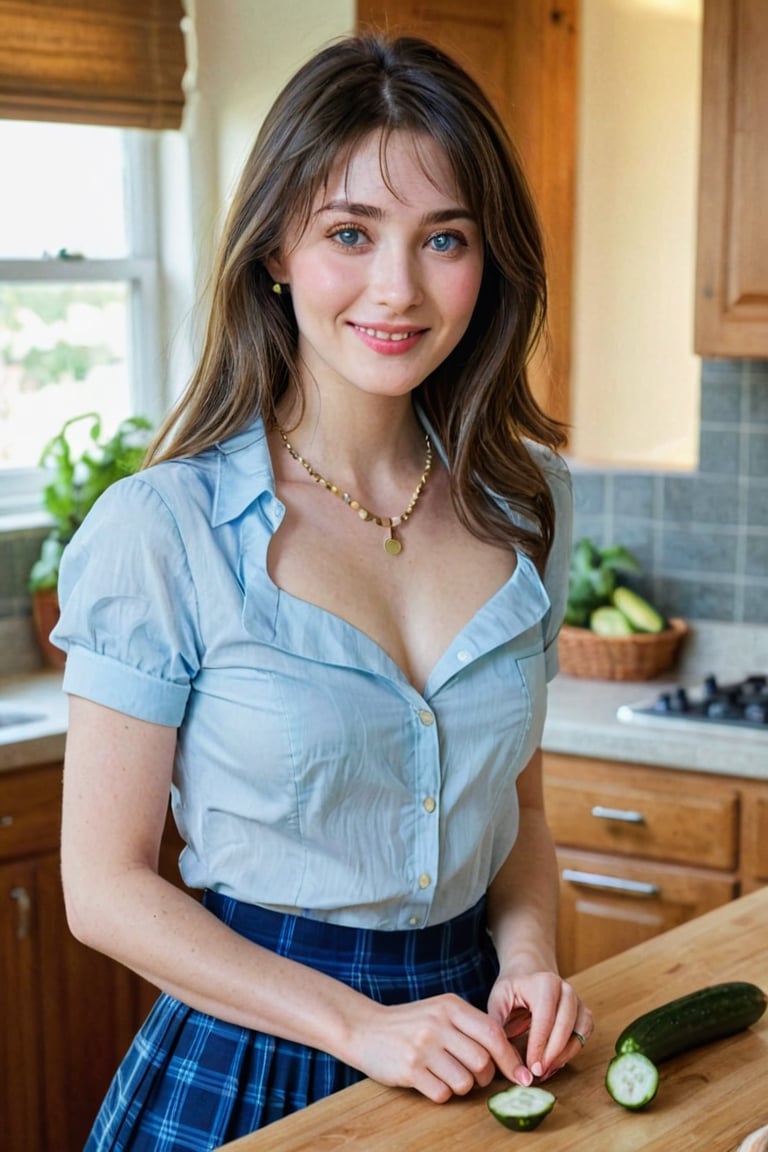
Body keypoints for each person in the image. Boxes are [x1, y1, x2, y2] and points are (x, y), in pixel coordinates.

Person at [52, 30, 592, 1152]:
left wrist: (531, 960)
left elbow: (520, 818)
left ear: (488, 262)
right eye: (351, 233)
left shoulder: (526, 505)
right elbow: (102, 889)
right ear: (276, 252)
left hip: (472, 1055)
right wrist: (363, 1028)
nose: (397, 287)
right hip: (251, 1063)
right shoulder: (164, 530)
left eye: (443, 238)